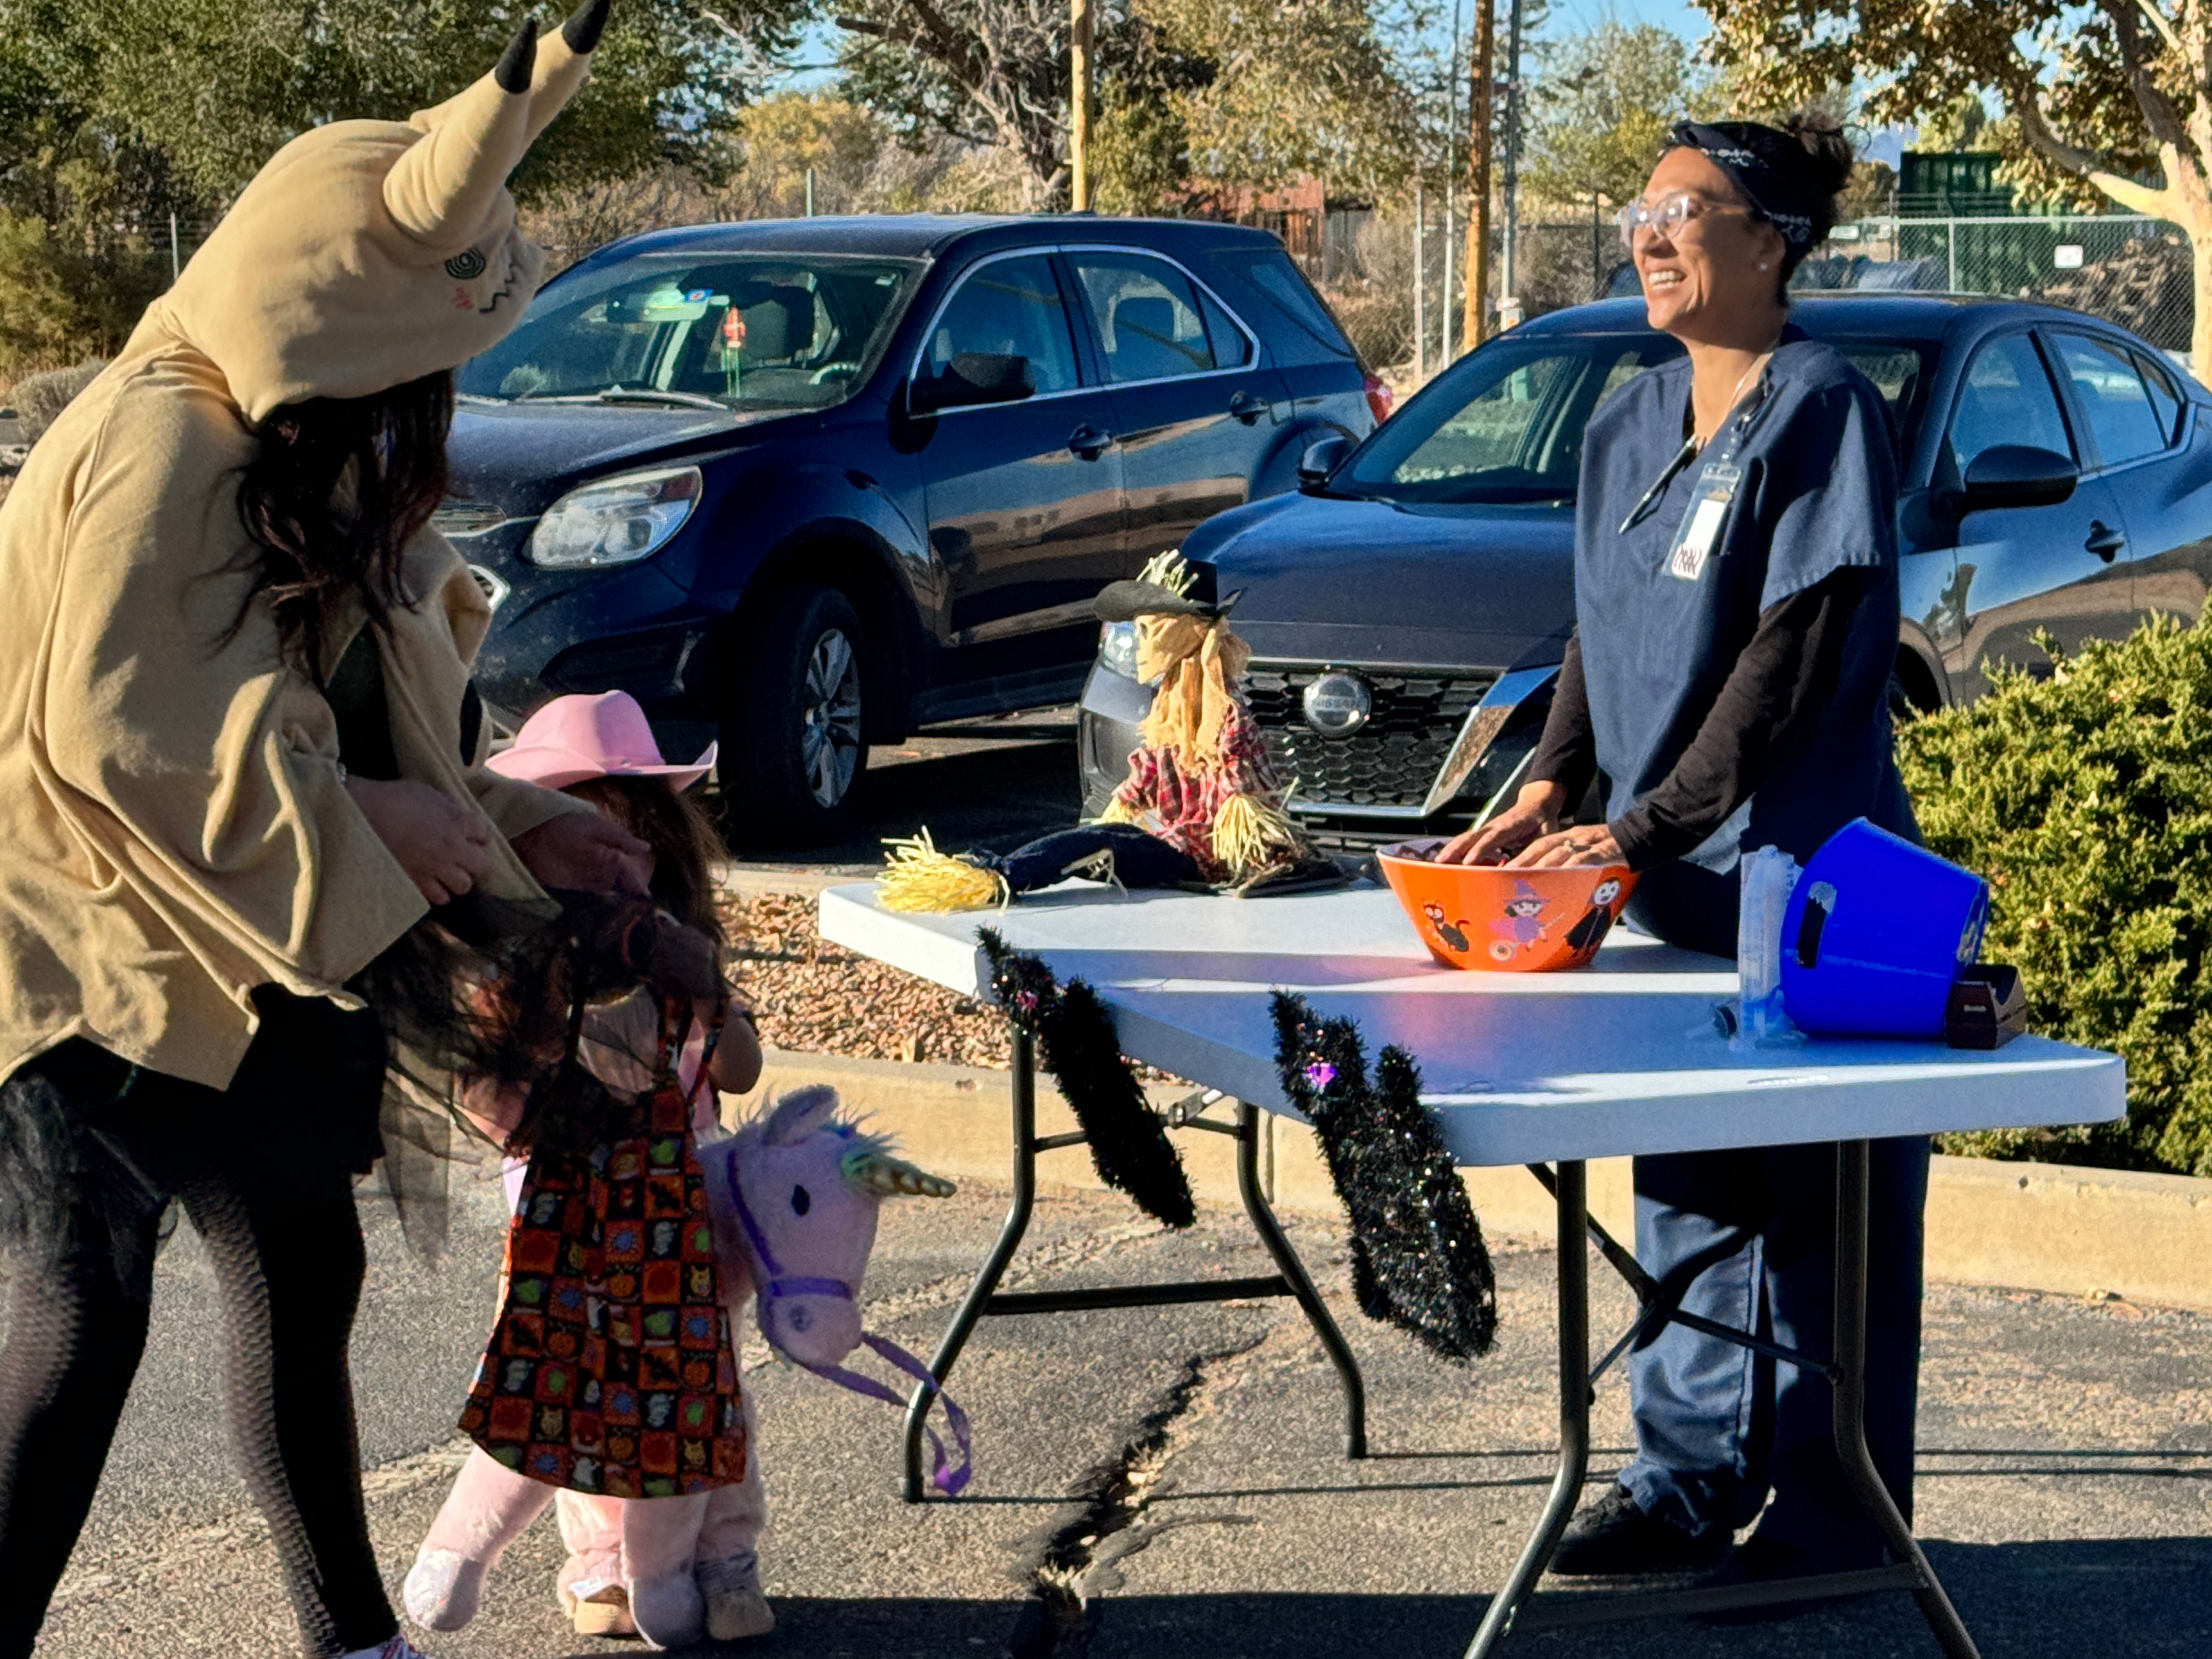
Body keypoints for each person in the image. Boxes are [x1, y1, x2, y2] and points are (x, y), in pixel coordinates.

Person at [0, 10, 651, 1658]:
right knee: (80, 1311)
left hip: (271, 930)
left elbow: (383, 724)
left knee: (300, 1276)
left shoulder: (315, 453)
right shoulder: (166, 434)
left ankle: (352, 1638)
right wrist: (369, 815)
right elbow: (120, 731)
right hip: (102, 944)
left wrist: (514, 834)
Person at [1437, 114, 1931, 1592]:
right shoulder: (1624, 418)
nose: (1650, 233)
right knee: (1696, 1176)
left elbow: (1794, 656)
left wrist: (1641, 826)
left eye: (1687, 209)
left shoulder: (1824, 407)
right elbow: (1604, 627)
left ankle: (1838, 1518)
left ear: (1771, 242)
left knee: (1822, 1208)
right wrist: (1553, 784)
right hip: (1672, 880)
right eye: (1642, 206)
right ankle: (1683, 1482)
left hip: (1809, 882)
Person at [402, 692, 773, 1647]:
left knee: (702, 1383)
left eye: (622, 832)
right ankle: (604, 1562)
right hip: (562, 1197)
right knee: (572, 1377)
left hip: (680, 1201)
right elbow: (489, 1097)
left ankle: (723, 1557)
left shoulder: (678, 954)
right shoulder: (525, 967)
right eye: (571, 828)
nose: (602, 860)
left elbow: (738, 1071)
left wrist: (711, 998)